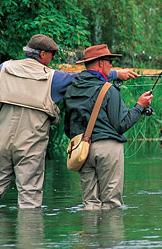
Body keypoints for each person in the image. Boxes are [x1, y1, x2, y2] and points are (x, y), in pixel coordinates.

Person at [0, 34, 138, 209]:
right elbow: (85, 79)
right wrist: (115, 73)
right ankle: (29, 234)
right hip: (30, 143)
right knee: (29, 196)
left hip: (2, 140)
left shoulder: (4, 68)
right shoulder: (53, 78)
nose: (53, 59)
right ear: (43, 54)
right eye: (52, 55)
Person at [65, 44, 153, 210]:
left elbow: (68, 126)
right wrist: (139, 106)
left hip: (81, 149)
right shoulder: (109, 90)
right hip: (107, 148)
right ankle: (109, 236)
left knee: (90, 204)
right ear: (100, 64)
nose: (112, 65)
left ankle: (89, 234)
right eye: (109, 61)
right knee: (111, 204)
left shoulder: (72, 89)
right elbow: (122, 124)